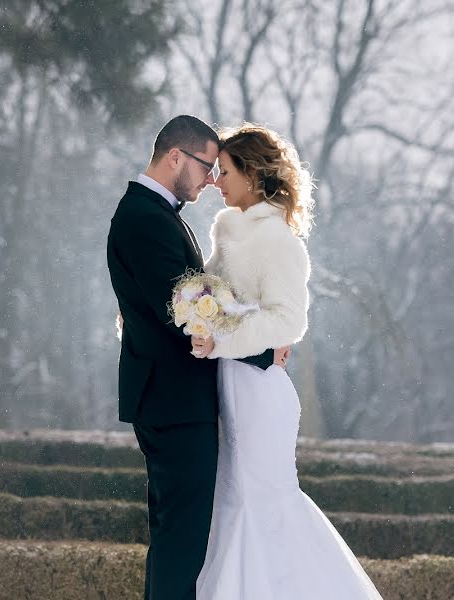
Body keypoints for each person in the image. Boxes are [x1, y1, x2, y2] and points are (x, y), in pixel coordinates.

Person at [191, 124, 384, 599]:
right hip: (235, 387)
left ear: (254, 174)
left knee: (261, 506)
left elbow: (287, 321)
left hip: (260, 393)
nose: (217, 182)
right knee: (237, 503)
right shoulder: (231, 234)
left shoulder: (278, 241)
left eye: (226, 171)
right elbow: (208, 297)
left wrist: (221, 341)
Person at [106, 115, 290, 600]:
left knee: (180, 537)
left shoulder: (157, 214)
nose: (211, 180)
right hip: (172, 401)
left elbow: (187, 299)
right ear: (175, 157)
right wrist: (264, 350)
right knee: (182, 541)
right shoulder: (145, 217)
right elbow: (185, 309)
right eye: (207, 166)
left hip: (173, 399)